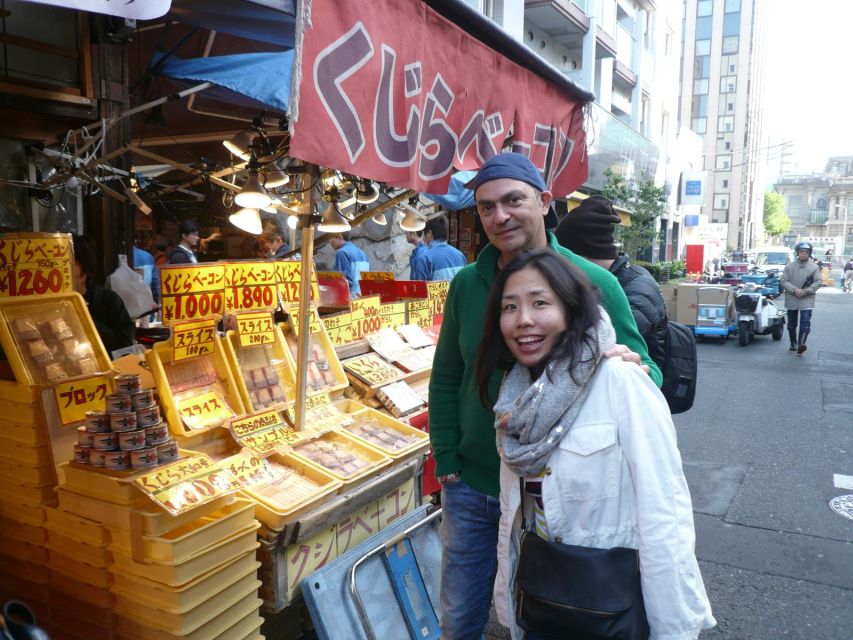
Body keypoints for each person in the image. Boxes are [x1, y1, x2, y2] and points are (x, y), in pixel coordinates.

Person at [428, 152, 660, 640]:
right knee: (459, 617)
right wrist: (445, 457)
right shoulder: (468, 284)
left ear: (545, 201)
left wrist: (634, 368)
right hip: (473, 482)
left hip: (555, 488)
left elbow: (646, 372)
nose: (500, 216)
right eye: (486, 207)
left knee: (548, 614)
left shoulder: (594, 282)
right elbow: (448, 373)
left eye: (513, 200)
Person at [475, 249, 715, 640]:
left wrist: (673, 628)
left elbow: (664, 509)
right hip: (543, 596)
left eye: (540, 303)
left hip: (609, 602)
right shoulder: (516, 397)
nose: (524, 320)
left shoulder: (620, 382)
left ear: (570, 310)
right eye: (510, 307)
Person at [555, 195, 667, 373]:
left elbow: (608, 340)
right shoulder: (621, 277)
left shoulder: (636, 288)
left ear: (578, 256)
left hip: (643, 390)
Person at [72, 235, 135, 356]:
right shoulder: (50, 305)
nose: (61, 270)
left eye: (68, 263)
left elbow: (125, 345)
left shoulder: (109, 300)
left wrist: (84, 318)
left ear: (86, 269)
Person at [780, 241, 822, 355]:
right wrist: (795, 290)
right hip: (792, 297)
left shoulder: (814, 267)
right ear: (797, 252)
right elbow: (783, 281)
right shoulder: (789, 266)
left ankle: (801, 344)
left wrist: (807, 291)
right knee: (792, 324)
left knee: (805, 322)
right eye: (801, 251)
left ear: (810, 253)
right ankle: (793, 343)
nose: (804, 253)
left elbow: (818, 282)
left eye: (806, 252)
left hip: (807, 298)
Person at [423, 215, 466, 281]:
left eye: (423, 234)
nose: (422, 238)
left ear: (429, 233)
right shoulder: (460, 255)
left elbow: (419, 289)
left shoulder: (425, 257)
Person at [330, 232, 370, 297]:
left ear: (339, 237)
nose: (330, 242)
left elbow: (344, 281)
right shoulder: (362, 253)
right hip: (362, 297)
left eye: (331, 238)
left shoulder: (341, 252)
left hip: (350, 298)